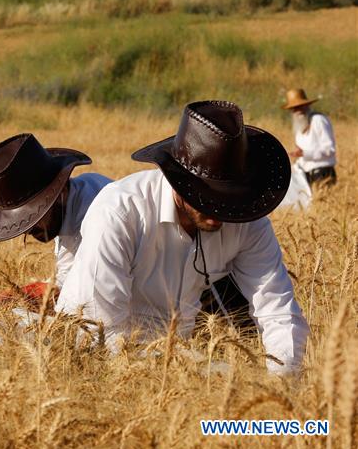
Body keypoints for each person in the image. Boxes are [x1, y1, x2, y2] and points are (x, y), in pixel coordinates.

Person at [56, 100, 308, 374]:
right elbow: (97, 329)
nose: (219, 211)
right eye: (207, 198)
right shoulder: (120, 211)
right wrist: (157, 372)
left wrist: (282, 381)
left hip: (178, 361)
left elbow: (278, 310)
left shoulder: (247, 221)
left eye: (228, 199)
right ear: (177, 182)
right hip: (102, 359)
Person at [0, 133, 112, 307]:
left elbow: (86, 297)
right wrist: (23, 294)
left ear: (58, 194)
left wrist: (26, 299)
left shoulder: (95, 215)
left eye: (34, 215)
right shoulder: (78, 194)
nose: (28, 229)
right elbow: (68, 277)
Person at [282, 88, 337, 189]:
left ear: (307, 105)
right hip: (305, 175)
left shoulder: (318, 120)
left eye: (300, 106)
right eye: (294, 108)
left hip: (322, 174)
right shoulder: (299, 126)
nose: (297, 111)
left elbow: (330, 150)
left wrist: (305, 153)